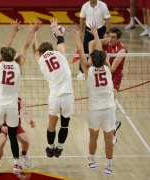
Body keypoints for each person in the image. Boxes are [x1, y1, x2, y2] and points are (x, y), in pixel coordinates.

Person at [0, 19, 41, 179]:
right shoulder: (19, 64)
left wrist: (13, 31)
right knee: (11, 135)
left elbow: (7, 49)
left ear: (3, 56)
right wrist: (32, 31)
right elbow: (25, 47)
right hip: (11, 105)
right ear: (14, 57)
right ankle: (17, 163)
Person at [71, 23, 116, 176]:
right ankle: (109, 166)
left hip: (95, 110)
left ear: (92, 61)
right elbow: (99, 49)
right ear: (104, 60)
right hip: (109, 108)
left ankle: (91, 160)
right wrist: (96, 34)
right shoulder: (107, 68)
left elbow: (82, 52)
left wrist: (77, 37)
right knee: (109, 139)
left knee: (93, 136)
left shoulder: (88, 70)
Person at [32, 18, 74, 158]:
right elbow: (61, 38)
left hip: (54, 97)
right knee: (64, 125)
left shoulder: (41, 60)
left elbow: (35, 51)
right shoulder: (59, 53)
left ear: (42, 52)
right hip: (67, 95)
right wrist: (55, 27)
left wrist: (34, 33)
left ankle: (50, 148)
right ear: (52, 49)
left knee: (51, 124)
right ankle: (59, 148)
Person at [89, 27, 126, 145]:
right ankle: (114, 123)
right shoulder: (108, 41)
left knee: (111, 101)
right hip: (104, 74)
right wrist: (92, 58)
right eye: (109, 36)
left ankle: (113, 132)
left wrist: (98, 64)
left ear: (118, 39)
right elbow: (91, 43)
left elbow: (112, 68)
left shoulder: (121, 50)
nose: (110, 39)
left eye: (113, 37)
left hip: (114, 76)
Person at [0, 97, 35, 177]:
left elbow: (25, 113)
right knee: (1, 143)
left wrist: (30, 121)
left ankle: (24, 154)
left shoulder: (19, 100)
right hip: (2, 125)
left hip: (15, 125)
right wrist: (2, 127)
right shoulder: (1, 99)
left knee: (26, 142)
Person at [77, 0, 111, 79]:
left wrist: (107, 32)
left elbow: (108, 19)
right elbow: (82, 18)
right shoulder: (85, 6)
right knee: (85, 50)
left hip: (100, 29)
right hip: (89, 30)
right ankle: (81, 71)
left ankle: (101, 67)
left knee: (100, 50)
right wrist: (81, 30)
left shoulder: (103, 5)